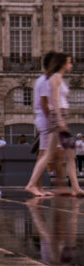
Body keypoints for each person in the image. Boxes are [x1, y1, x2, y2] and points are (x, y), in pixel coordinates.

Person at [26, 51, 65, 197]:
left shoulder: (43, 79)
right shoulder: (44, 80)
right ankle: (34, 185)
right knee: (45, 155)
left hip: (44, 119)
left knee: (44, 154)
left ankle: (38, 185)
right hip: (45, 120)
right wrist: (53, 121)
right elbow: (44, 103)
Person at [48, 54, 84, 196]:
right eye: (69, 62)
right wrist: (59, 119)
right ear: (62, 64)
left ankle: (75, 188)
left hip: (61, 117)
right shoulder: (56, 78)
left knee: (66, 154)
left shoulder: (59, 78)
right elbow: (55, 100)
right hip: (59, 117)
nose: (72, 65)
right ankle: (75, 188)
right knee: (67, 153)